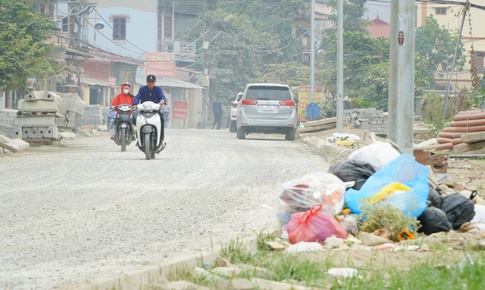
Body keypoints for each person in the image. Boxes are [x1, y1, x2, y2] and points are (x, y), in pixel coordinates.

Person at [132, 75, 167, 142]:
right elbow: (137, 97)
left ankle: (161, 138)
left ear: (155, 82)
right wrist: (134, 104)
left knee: (161, 119)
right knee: (136, 119)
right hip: (144, 111)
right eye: (149, 81)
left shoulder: (158, 89)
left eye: (152, 81)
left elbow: (162, 96)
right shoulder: (142, 89)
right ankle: (138, 136)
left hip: (155, 111)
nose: (150, 83)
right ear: (146, 82)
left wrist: (163, 103)